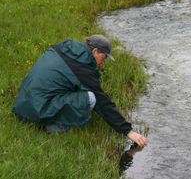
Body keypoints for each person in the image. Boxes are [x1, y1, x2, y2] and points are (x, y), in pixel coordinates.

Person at [12, 34, 147, 147]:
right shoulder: (81, 68)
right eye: (103, 58)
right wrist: (129, 132)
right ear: (95, 51)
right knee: (91, 98)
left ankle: (42, 115)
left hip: (23, 102)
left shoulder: (61, 47)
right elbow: (102, 102)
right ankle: (55, 127)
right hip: (36, 111)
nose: (103, 63)